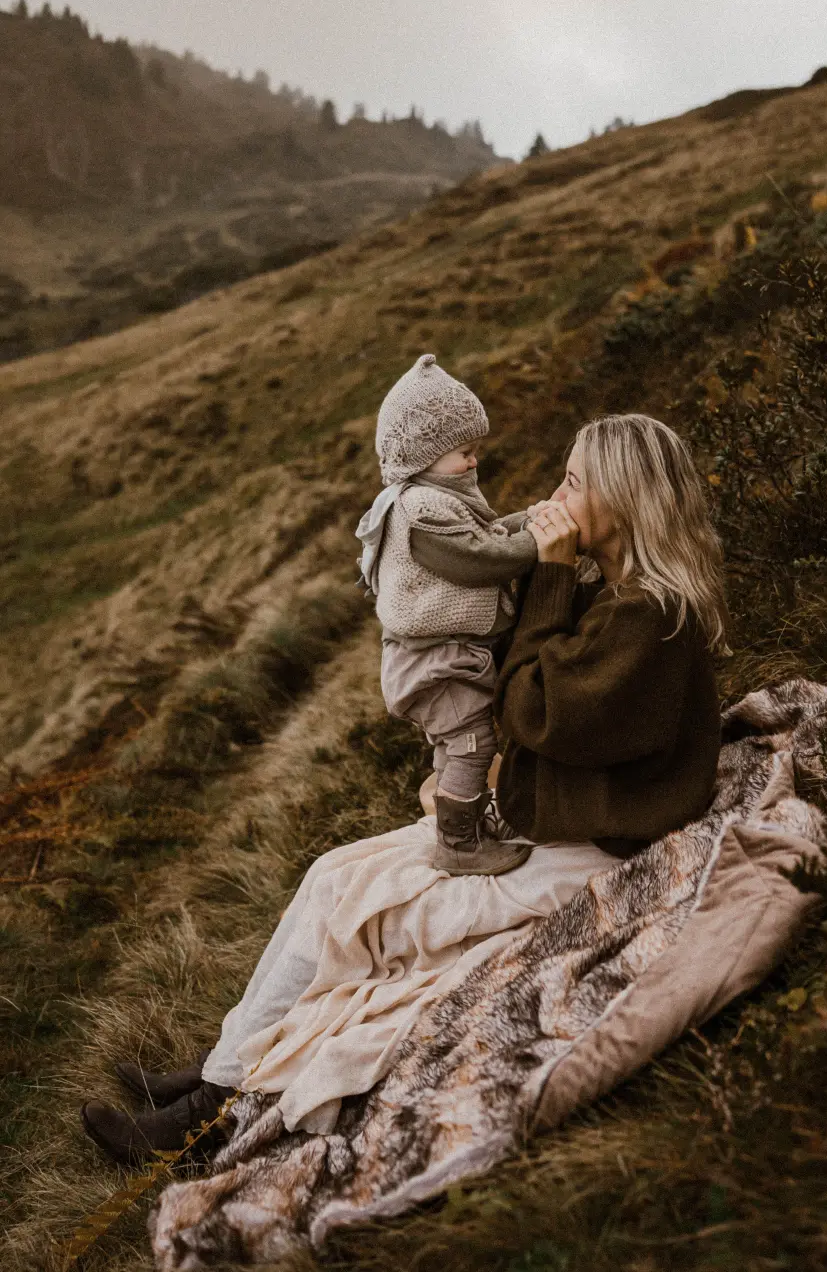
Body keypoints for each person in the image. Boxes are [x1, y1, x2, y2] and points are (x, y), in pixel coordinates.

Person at [81, 413, 727, 1167]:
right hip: (549, 826)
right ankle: (214, 1073)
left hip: (586, 855)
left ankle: (205, 1124)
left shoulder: (646, 617)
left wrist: (548, 574)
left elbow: (534, 711)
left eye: (575, 481)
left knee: (365, 918)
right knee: (332, 873)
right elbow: (550, 715)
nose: (556, 493)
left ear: (621, 500)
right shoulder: (615, 594)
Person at [357, 352, 538, 874]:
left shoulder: (435, 500)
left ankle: (465, 821)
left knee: (456, 746)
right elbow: (477, 558)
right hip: (434, 661)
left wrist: (526, 518)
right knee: (473, 743)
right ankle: (459, 846)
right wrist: (539, 542)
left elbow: (482, 536)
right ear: (422, 456)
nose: (474, 461)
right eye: (464, 451)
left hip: (438, 657)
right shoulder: (419, 510)